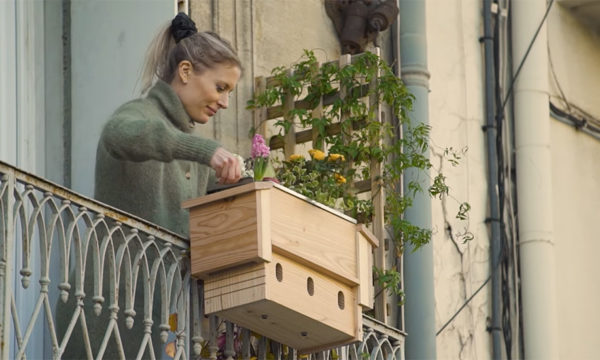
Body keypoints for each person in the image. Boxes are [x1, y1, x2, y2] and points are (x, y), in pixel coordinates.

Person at [57, 12, 243, 359]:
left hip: (159, 323)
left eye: (229, 92)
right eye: (221, 88)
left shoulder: (195, 158)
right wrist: (207, 151)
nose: (225, 102)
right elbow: (119, 134)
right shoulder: (140, 114)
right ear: (186, 72)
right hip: (105, 311)